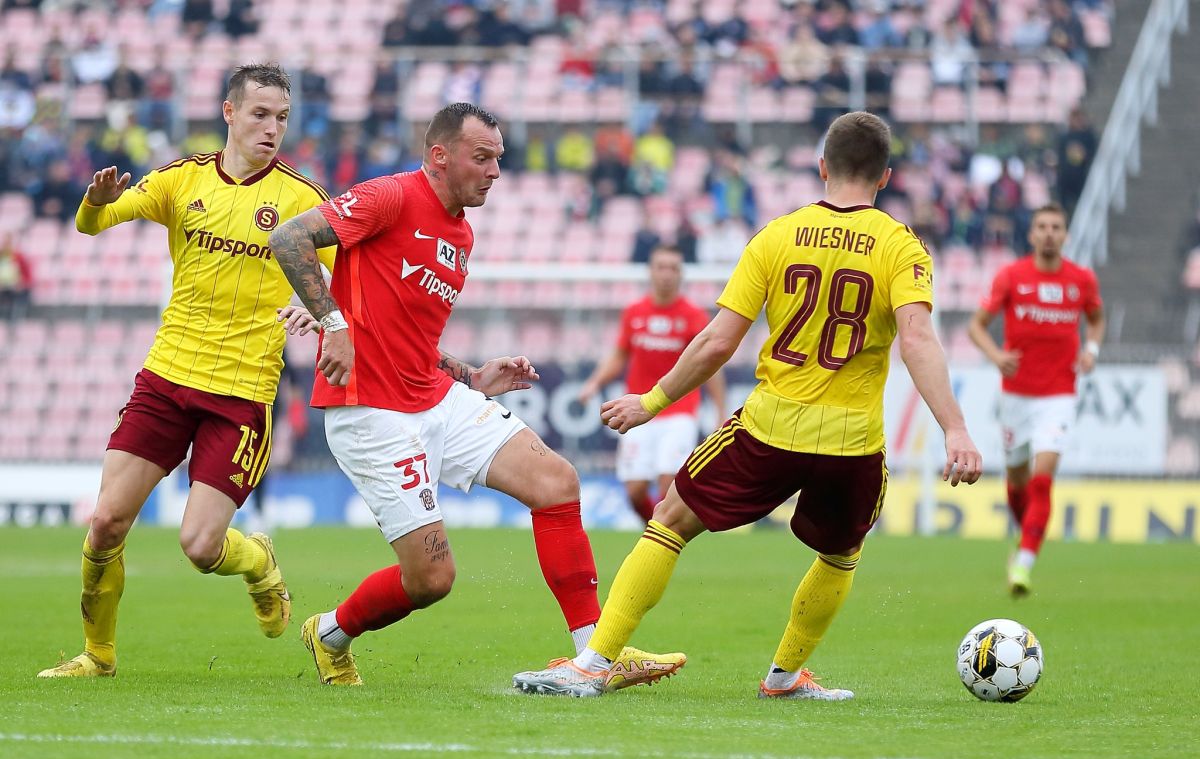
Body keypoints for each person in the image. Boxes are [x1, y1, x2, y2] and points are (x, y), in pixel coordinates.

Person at [512, 111, 983, 698]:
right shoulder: (902, 246)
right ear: (886, 176)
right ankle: (783, 676)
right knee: (841, 553)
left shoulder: (777, 235)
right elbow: (917, 340)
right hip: (853, 440)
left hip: (770, 426)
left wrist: (652, 400)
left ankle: (593, 663)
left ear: (822, 167)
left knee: (670, 520)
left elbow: (718, 340)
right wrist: (955, 428)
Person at [268, 102, 685, 688]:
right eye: (482, 158)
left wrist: (473, 375)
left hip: (436, 397)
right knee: (431, 580)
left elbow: (411, 341)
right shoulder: (390, 196)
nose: (494, 172)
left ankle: (593, 655)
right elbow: (289, 238)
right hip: (371, 412)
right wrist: (334, 324)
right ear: (440, 156)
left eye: (499, 159)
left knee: (557, 481)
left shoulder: (461, 233)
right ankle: (331, 632)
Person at [38, 64, 335, 679]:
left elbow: (350, 275)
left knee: (200, 547)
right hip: (166, 377)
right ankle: (98, 655)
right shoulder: (182, 178)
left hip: (241, 392)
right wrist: (95, 203)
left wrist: (322, 309)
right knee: (105, 524)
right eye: (260, 114)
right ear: (229, 112)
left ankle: (258, 561)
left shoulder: (303, 199)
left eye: (282, 118)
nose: (272, 128)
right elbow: (93, 224)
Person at [967, 202, 1104, 597]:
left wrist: (1091, 350)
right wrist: (996, 356)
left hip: (1058, 395)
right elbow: (977, 326)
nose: (1048, 233)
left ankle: (1024, 564)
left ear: (1065, 235)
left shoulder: (1081, 279)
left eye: (1055, 227)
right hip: (1016, 396)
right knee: (1017, 482)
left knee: (1042, 481)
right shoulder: (1013, 276)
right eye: (1042, 226)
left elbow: (1096, 318)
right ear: (1031, 234)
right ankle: (1025, 535)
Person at [578, 244, 726, 524]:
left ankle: (661, 538)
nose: (667, 274)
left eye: (673, 268)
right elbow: (620, 354)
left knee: (668, 486)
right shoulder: (635, 312)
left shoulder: (694, 316)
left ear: (681, 274)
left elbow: (709, 366)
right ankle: (656, 532)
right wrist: (594, 383)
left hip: (679, 411)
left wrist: (720, 411)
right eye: (661, 267)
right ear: (650, 271)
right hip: (637, 407)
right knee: (634, 492)